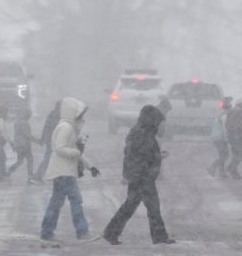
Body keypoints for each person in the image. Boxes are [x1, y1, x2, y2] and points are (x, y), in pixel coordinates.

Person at [102, 105, 175, 246]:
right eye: (158, 122)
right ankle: (159, 237)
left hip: (140, 176)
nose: (160, 126)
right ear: (151, 120)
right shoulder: (141, 134)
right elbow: (136, 156)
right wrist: (141, 175)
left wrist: (158, 156)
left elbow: (143, 155)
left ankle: (111, 232)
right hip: (142, 177)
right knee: (151, 207)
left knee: (131, 205)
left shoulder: (142, 132)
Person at [39, 97, 100, 246]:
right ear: (72, 112)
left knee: (56, 202)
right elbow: (60, 148)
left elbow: (76, 150)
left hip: (62, 171)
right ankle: (82, 232)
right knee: (76, 200)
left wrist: (90, 166)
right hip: (63, 171)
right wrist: (76, 153)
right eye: (79, 113)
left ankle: (47, 232)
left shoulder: (68, 127)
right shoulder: (66, 127)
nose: (81, 117)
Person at [7, 108, 43, 184]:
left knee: (20, 161)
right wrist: (38, 141)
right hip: (25, 145)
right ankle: (30, 176)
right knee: (30, 160)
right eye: (29, 115)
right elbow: (28, 135)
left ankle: (9, 171)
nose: (29, 116)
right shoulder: (24, 123)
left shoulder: (17, 122)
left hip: (18, 144)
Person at [207, 96, 232, 178]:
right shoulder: (225, 115)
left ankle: (221, 172)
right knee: (225, 155)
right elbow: (225, 128)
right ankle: (212, 168)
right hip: (220, 137)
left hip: (217, 137)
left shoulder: (221, 113)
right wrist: (227, 138)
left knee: (223, 155)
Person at [36, 100, 61, 181]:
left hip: (50, 140)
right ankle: (38, 176)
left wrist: (43, 139)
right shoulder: (57, 115)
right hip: (53, 141)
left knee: (51, 158)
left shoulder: (51, 114)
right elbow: (55, 128)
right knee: (49, 159)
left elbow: (46, 127)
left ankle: (56, 176)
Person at [225, 98, 242, 179]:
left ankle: (232, 168)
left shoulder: (232, 110)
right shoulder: (239, 111)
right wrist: (237, 134)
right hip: (236, 135)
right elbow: (237, 123)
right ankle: (232, 169)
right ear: (240, 104)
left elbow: (227, 123)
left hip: (231, 134)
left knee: (236, 152)